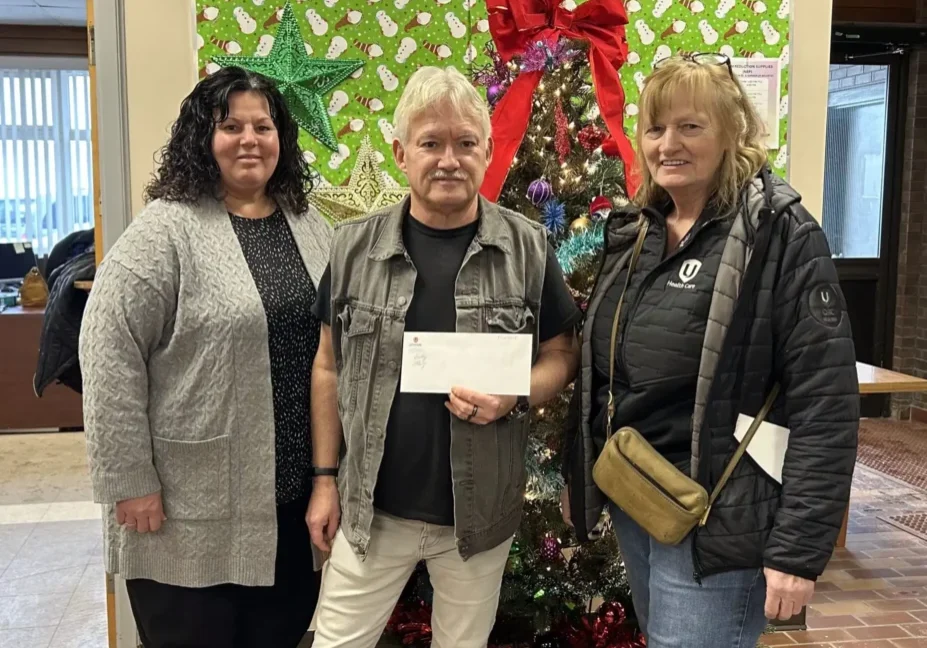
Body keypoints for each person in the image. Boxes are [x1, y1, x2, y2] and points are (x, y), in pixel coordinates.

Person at [561, 53, 859, 648]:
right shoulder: (637, 232)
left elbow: (825, 401)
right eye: (655, 128)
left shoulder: (779, 234)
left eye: (690, 126)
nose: (668, 144)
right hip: (637, 494)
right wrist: (579, 476)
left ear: (730, 133)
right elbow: (599, 370)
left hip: (716, 516)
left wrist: (797, 550)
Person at [307, 65, 582, 648]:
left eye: (465, 143)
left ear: (487, 151)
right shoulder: (353, 247)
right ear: (401, 153)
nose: (449, 160)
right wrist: (325, 481)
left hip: (477, 520)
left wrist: (515, 392)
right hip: (371, 512)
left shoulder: (527, 248)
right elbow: (328, 365)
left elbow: (563, 353)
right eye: (431, 143)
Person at [79, 66, 331, 648]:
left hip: (292, 503)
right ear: (202, 137)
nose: (249, 140)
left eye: (263, 126)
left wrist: (331, 476)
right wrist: (129, 479)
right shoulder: (165, 232)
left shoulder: (309, 225)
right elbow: (108, 351)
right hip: (186, 511)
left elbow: (335, 348)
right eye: (230, 126)